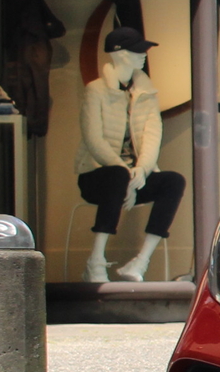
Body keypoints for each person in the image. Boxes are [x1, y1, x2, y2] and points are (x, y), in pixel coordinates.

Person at [75, 27, 185, 282]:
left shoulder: (147, 92)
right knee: (115, 175)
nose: (144, 55)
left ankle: (140, 261)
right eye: (138, 51)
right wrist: (125, 174)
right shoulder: (96, 91)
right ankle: (96, 260)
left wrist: (141, 171)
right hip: (98, 177)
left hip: (134, 178)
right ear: (121, 54)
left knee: (173, 181)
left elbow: (152, 136)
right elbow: (93, 139)